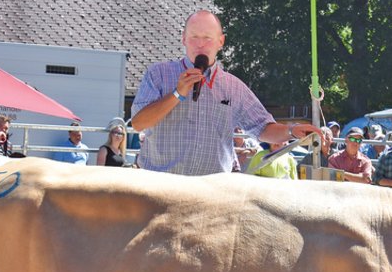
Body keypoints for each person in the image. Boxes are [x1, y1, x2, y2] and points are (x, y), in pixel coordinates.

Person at [129, 10, 328, 175]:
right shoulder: (158, 74)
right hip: (160, 187)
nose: (200, 44)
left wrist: (293, 130)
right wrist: (177, 94)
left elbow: (263, 129)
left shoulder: (233, 87)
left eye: (207, 38)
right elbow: (138, 123)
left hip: (213, 192)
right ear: (183, 39)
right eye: (194, 37)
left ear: (221, 42)